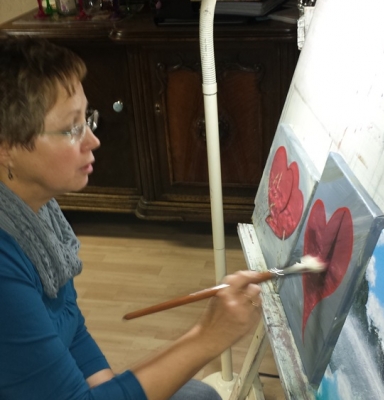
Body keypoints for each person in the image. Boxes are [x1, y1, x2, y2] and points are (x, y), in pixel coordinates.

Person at [0, 36, 262, 400]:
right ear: (7, 148)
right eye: (72, 128)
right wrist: (208, 337)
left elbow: (70, 328)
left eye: (86, 119)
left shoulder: (37, 211)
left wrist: (108, 386)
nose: (92, 140)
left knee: (197, 395)